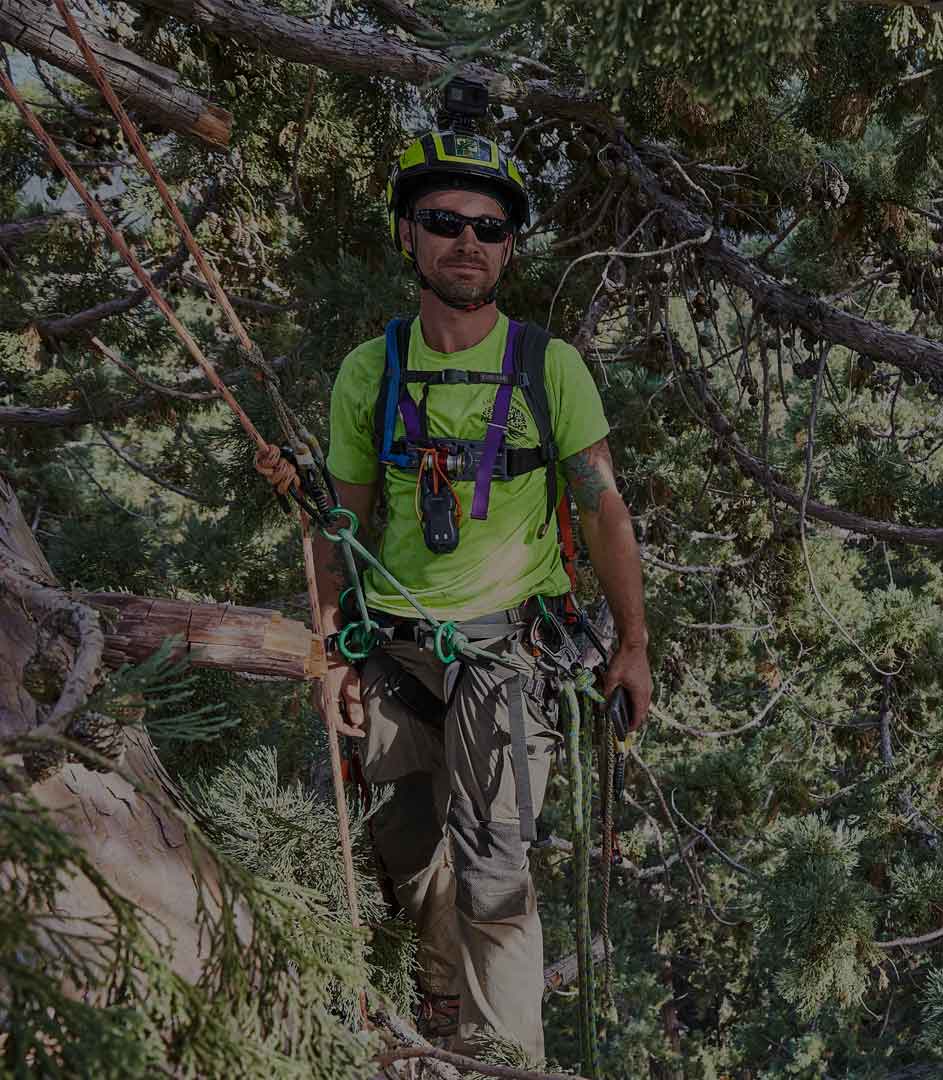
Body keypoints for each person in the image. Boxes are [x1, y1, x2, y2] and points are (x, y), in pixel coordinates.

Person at [256, 99, 650, 1058]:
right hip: (392, 651)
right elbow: (339, 525)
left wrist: (633, 642)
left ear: (509, 248)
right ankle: (440, 1038)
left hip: (506, 655)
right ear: (409, 233)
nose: (467, 241)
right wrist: (328, 647)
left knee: (494, 872)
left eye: (488, 227)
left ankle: (509, 1061)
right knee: (405, 858)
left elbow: (602, 506)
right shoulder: (371, 373)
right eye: (444, 221)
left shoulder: (548, 369)